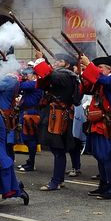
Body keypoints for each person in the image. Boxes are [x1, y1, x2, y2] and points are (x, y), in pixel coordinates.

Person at [33, 53, 83, 191]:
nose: (55, 63)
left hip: (58, 116)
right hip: (57, 114)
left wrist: (40, 60)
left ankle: (55, 182)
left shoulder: (65, 75)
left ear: (67, 64)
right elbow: (44, 81)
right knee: (58, 150)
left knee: (58, 150)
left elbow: (50, 75)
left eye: (59, 61)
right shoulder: (65, 75)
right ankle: (58, 180)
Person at [79, 55, 111, 200]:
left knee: (105, 156)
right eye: (97, 67)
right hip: (97, 122)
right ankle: (103, 186)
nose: (98, 70)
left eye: (101, 67)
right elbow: (87, 88)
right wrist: (83, 71)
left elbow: (100, 79)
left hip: (106, 123)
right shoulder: (102, 80)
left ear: (108, 69)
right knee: (99, 156)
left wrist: (89, 67)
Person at [17, 68, 44, 172]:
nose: (25, 76)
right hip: (27, 112)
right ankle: (30, 161)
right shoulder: (31, 83)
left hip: (31, 113)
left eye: (27, 75)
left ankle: (31, 163)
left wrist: (18, 78)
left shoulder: (35, 83)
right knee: (27, 138)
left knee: (30, 138)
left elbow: (20, 86)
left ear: (34, 76)